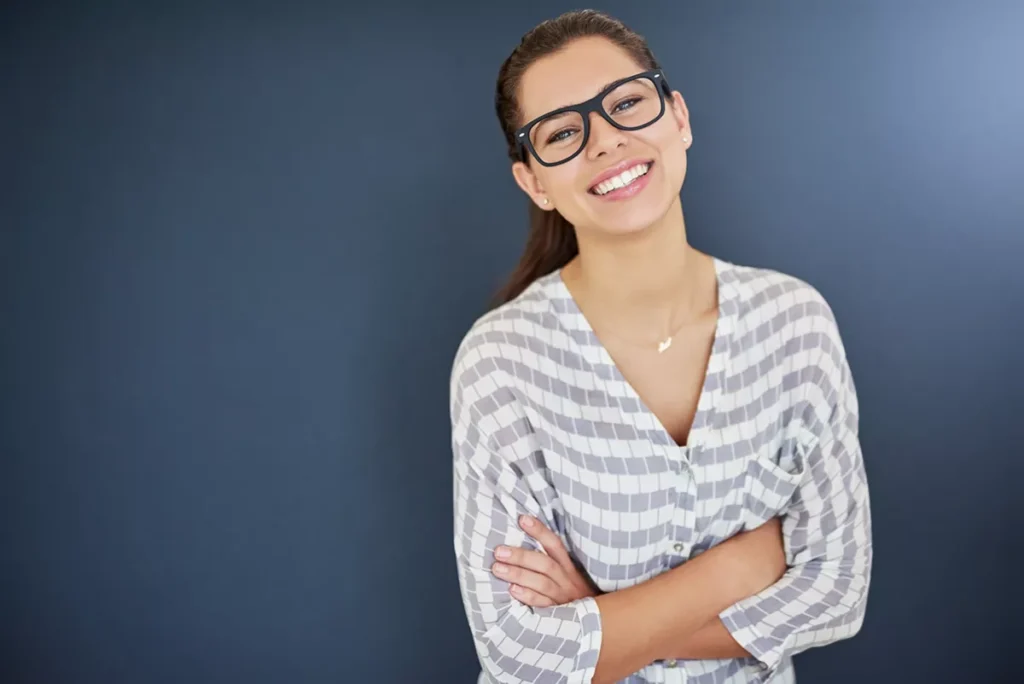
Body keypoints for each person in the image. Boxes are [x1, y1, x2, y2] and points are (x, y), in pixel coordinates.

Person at [449, 9, 872, 684]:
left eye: (626, 104)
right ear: (534, 182)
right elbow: (517, 652)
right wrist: (743, 564)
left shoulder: (795, 324)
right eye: (562, 132)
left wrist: (602, 619)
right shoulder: (500, 361)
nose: (607, 141)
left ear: (678, 117)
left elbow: (838, 592)